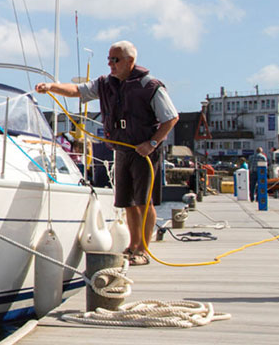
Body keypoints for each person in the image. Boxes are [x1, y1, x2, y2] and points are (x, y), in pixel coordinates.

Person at [35, 40, 179, 266]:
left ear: (130, 61)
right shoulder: (105, 84)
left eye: (116, 59)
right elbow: (77, 91)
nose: (110, 64)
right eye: (109, 59)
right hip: (121, 150)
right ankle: (132, 246)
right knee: (128, 202)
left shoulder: (150, 86)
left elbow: (171, 118)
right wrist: (51, 87)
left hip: (143, 152)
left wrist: (151, 143)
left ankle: (143, 250)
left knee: (144, 201)